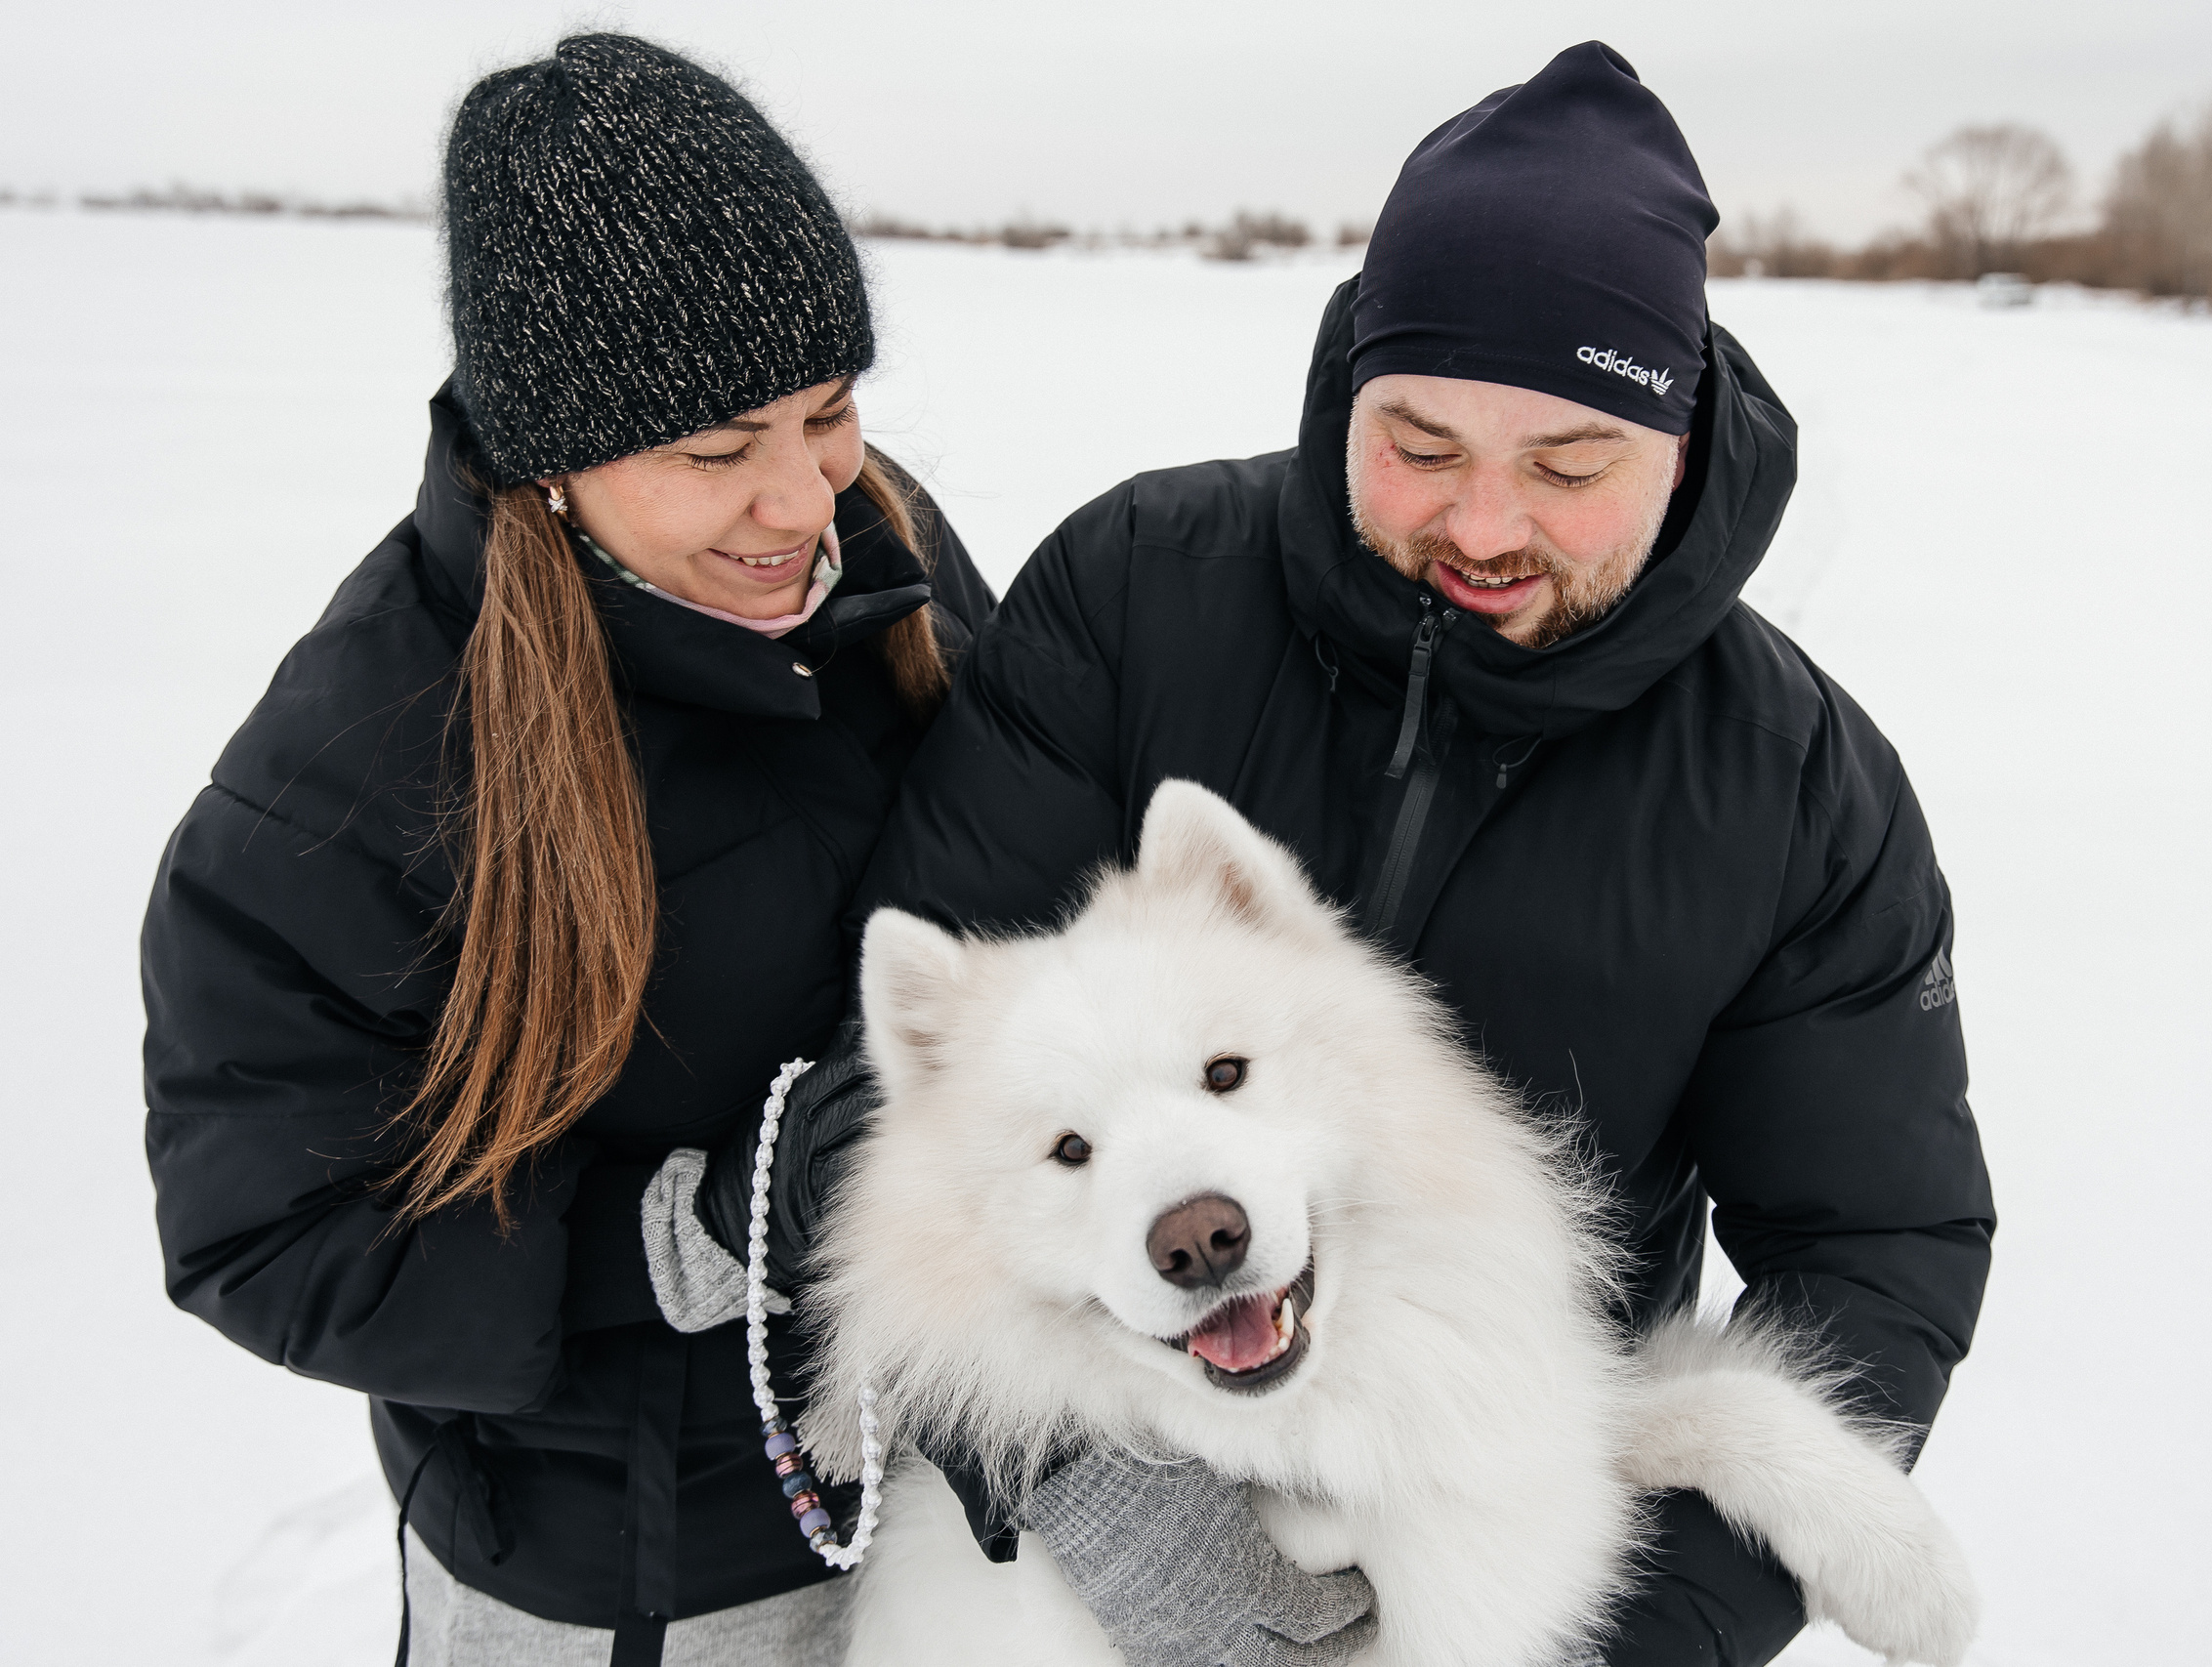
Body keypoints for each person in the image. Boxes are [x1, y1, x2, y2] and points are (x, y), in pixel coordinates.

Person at [779, 41, 1996, 1667]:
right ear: (1350, 382)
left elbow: (1870, 1243)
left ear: (1684, 439)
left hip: (1493, 1511)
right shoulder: (1137, 597)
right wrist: (1109, 1509)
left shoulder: (1796, 789)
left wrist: (1635, 1636)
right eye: (1420, 444)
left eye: (1570, 466)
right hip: (1084, 1508)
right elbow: (920, 1102)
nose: (1484, 526)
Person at [141, 34, 1000, 1667]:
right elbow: (266, 1233)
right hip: (634, 1578)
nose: (800, 500)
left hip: (944, 1502)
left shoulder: (888, 557)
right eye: (712, 450)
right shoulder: (357, 772)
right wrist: (700, 1232)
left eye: (827, 414)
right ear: (551, 463)